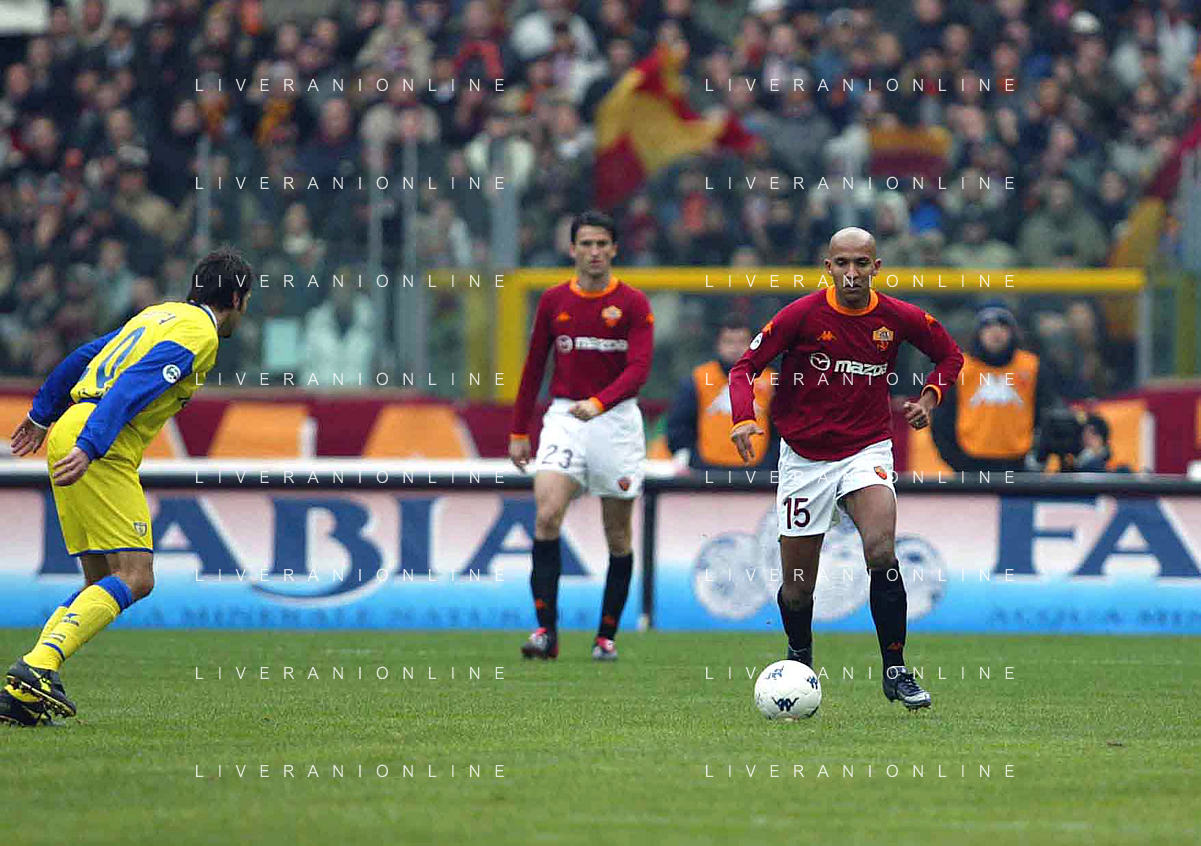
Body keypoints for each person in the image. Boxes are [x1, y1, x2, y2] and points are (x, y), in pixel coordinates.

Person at [1, 247, 253, 727]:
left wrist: (41, 414)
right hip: (100, 439)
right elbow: (135, 383)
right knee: (137, 575)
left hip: (69, 428)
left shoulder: (158, 314)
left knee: (100, 581)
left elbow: (84, 356)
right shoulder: (201, 333)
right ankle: (36, 667)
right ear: (238, 299)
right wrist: (92, 445)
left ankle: (23, 690)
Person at [728, 227, 964, 711]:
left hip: (866, 449)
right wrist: (743, 418)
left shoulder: (897, 316)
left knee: (881, 549)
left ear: (877, 267)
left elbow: (950, 355)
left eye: (861, 263)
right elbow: (743, 368)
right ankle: (800, 658)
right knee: (798, 589)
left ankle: (896, 669)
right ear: (828, 267)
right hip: (804, 459)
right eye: (842, 263)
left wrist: (929, 397)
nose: (851, 273)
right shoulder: (801, 315)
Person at [509, 210, 654, 661]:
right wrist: (519, 429)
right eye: (586, 244)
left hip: (616, 421)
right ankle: (545, 633)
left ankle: (605, 636)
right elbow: (534, 366)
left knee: (618, 534)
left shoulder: (633, 303)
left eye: (601, 244)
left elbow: (638, 370)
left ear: (614, 249)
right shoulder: (554, 300)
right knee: (547, 515)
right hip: (565, 417)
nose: (594, 252)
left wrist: (600, 402)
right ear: (572, 249)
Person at [931, 301, 1057, 473]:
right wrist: (959, 463)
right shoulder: (958, 368)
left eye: (1003, 325)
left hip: (1020, 466)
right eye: (987, 325)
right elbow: (941, 422)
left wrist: (1036, 457)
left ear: (1013, 331)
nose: (995, 331)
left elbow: (1046, 414)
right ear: (978, 332)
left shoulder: (1032, 367)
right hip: (971, 466)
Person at [666, 315, 776, 472]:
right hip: (706, 471)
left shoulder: (769, 381)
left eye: (742, 342)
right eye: (729, 342)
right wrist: (692, 460)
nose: (735, 348)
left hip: (759, 472)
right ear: (718, 344)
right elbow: (680, 426)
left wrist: (770, 463)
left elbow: (781, 429)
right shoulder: (699, 379)